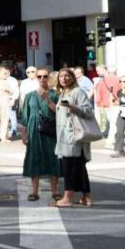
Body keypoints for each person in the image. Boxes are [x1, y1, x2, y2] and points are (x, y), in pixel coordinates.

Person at [51, 68, 94, 207]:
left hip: (73, 136)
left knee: (69, 167)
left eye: (67, 76)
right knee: (80, 168)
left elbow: (88, 111)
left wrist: (73, 107)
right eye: (61, 76)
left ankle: (67, 198)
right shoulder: (64, 92)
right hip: (66, 135)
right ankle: (86, 197)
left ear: (73, 77)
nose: (63, 78)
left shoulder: (77, 92)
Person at [19, 67, 60, 202]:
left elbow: (60, 113)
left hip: (50, 131)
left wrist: (47, 98)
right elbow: (25, 116)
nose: (42, 79)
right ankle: (34, 191)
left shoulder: (55, 94)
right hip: (34, 131)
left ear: (49, 77)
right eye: (39, 76)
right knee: (34, 158)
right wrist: (24, 135)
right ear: (36, 78)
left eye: (45, 76)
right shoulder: (30, 95)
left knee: (53, 158)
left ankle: (55, 191)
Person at [93, 66, 121, 147]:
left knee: (111, 121)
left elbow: (98, 94)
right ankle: (111, 139)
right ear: (115, 71)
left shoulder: (103, 81)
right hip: (116, 103)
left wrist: (99, 105)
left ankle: (112, 139)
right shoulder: (118, 80)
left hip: (105, 104)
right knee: (114, 123)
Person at [5, 68, 21, 139]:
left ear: (9, 72)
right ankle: (5, 130)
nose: (4, 74)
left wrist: (13, 100)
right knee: (5, 116)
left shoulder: (13, 80)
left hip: (10, 99)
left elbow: (16, 91)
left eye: (6, 72)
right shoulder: (1, 80)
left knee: (12, 115)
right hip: (3, 100)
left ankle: (14, 130)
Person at [113, 73, 125, 158]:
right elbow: (116, 101)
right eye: (120, 81)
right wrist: (115, 101)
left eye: (124, 81)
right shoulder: (119, 92)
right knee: (119, 132)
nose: (122, 83)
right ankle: (119, 150)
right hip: (122, 114)